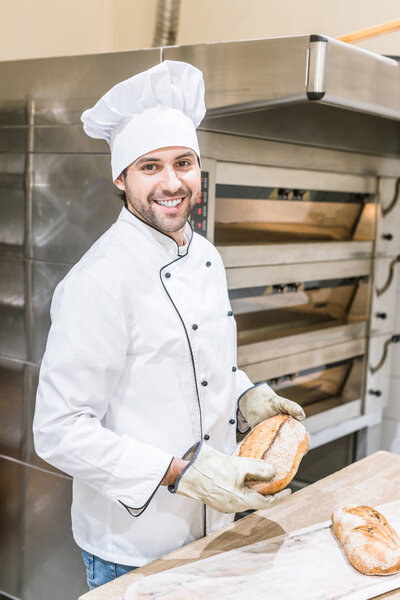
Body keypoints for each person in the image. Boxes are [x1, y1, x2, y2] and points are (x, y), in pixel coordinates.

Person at [33, 61, 306, 590]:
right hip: (134, 545)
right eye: (150, 167)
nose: (171, 183)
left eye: (183, 163)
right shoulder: (99, 281)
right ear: (121, 177)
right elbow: (59, 430)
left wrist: (245, 393)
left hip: (217, 524)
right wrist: (180, 473)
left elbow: (190, 356)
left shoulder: (203, 254)